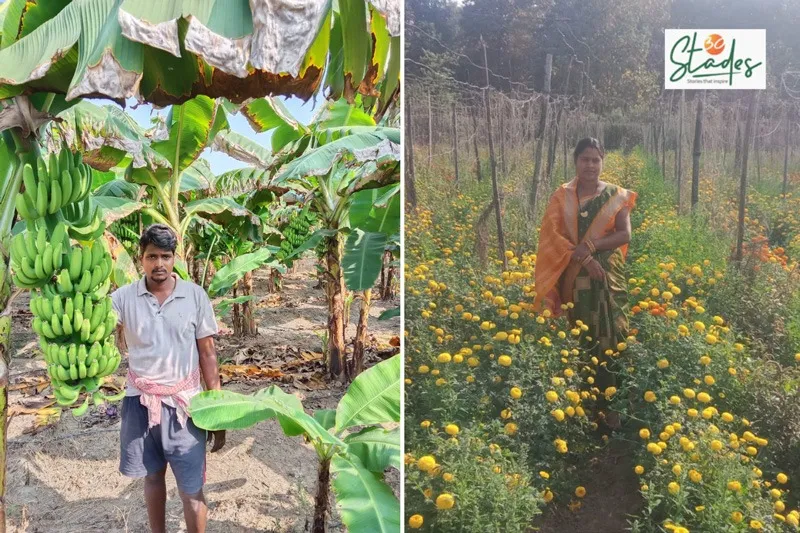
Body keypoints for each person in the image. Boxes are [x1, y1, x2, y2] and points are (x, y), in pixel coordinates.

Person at [111, 224, 226, 533]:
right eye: (151, 256)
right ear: (140, 259)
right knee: (151, 476)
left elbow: (208, 353)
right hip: (140, 400)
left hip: (184, 403)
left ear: (175, 258)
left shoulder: (194, 295)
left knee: (191, 488)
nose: (158, 264)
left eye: (165, 256)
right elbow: (96, 324)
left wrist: (218, 409)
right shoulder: (123, 298)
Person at [533, 138, 637, 432]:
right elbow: (552, 236)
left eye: (595, 160)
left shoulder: (617, 196)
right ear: (576, 161)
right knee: (580, 337)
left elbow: (624, 234)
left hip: (608, 278)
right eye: (585, 159)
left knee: (613, 333)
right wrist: (582, 258)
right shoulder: (561, 197)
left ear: (602, 162)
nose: (590, 165)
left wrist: (591, 247)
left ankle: (614, 406)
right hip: (574, 279)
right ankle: (584, 408)